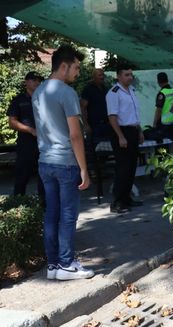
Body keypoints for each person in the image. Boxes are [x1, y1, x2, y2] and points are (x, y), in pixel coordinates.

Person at [31, 45, 94, 280]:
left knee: (51, 214)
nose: (78, 72)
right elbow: (75, 135)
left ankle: (54, 266)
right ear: (64, 66)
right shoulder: (67, 93)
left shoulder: (38, 92)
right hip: (66, 163)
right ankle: (67, 264)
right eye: (76, 67)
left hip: (45, 161)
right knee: (68, 215)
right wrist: (84, 169)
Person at [106, 65, 144, 213]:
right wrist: (120, 136)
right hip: (121, 132)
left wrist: (140, 131)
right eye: (127, 75)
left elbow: (135, 114)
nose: (130, 77)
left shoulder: (132, 91)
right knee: (123, 168)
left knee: (131, 167)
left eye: (131, 75)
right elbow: (112, 117)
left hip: (133, 131)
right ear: (119, 76)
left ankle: (127, 199)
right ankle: (117, 203)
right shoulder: (114, 93)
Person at [7, 71, 45, 200]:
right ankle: (17, 206)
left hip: (44, 143)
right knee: (22, 177)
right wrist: (30, 130)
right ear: (26, 82)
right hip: (26, 143)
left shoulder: (44, 98)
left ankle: (44, 206)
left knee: (44, 177)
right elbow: (12, 122)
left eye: (39, 80)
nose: (37, 82)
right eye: (33, 80)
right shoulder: (18, 100)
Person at [80, 68, 111, 145]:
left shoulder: (105, 88)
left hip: (107, 124)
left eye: (103, 75)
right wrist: (86, 124)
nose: (102, 77)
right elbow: (82, 107)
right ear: (94, 77)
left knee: (107, 149)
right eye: (99, 75)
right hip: (94, 125)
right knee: (95, 150)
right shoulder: (88, 89)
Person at [152, 72, 173, 139]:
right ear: (167, 80)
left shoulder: (162, 93)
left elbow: (159, 110)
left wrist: (154, 124)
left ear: (158, 81)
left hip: (164, 124)